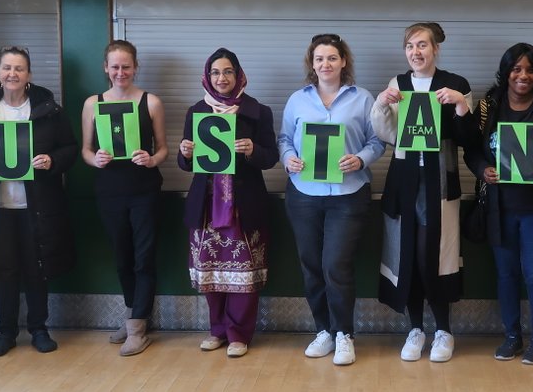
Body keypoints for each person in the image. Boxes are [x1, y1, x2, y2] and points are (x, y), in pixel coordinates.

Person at [0, 47, 78, 357]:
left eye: (19, 68)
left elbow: (70, 148)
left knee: (37, 269)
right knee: (5, 270)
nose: (13, 74)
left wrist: (52, 160)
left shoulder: (48, 109)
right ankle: (6, 332)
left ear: (29, 75)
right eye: (7, 68)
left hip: (38, 205)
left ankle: (39, 329)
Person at [463, 42, 533, 365]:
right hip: (499, 208)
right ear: (505, 72)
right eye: (516, 69)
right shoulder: (488, 107)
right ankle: (512, 336)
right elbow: (471, 149)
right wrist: (482, 170)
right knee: (505, 274)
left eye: (529, 69)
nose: (523, 75)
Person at [278, 34, 384, 367]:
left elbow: (377, 141)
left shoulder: (363, 98)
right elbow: (284, 138)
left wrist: (361, 159)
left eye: (332, 58)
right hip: (303, 195)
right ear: (312, 63)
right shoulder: (298, 99)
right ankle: (323, 329)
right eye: (320, 58)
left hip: (348, 196)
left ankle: (344, 335)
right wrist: (288, 158)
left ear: (344, 62)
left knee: (335, 266)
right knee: (311, 266)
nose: (326, 64)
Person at [371, 23, 472, 363]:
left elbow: (467, 137)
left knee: (436, 256)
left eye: (423, 46)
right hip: (404, 182)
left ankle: (444, 330)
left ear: (436, 49)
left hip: (439, 183)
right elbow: (387, 134)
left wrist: (460, 105)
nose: (417, 52)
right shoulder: (396, 85)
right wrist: (382, 104)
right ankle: (416, 328)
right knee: (408, 255)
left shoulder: (456, 84)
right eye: (411, 46)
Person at [178, 48, 278, 358]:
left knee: (243, 273)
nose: (222, 78)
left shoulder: (258, 111)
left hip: (243, 203)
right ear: (207, 78)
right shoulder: (196, 111)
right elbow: (185, 165)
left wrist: (252, 150)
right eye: (215, 73)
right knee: (211, 270)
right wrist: (185, 152)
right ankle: (217, 330)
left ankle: (239, 334)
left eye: (228, 72)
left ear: (239, 74)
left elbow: (271, 157)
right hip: (206, 205)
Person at [80, 40, 169, 357]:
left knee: (144, 258)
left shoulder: (151, 102)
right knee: (122, 258)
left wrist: (151, 158)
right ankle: (134, 314)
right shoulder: (93, 103)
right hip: (109, 190)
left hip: (144, 190)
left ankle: (137, 326)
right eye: (115, 66)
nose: (120, 72)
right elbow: (85, 151)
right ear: (106, 68)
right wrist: (96, 159)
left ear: (135, 67)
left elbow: (163, 149)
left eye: (126, 66)